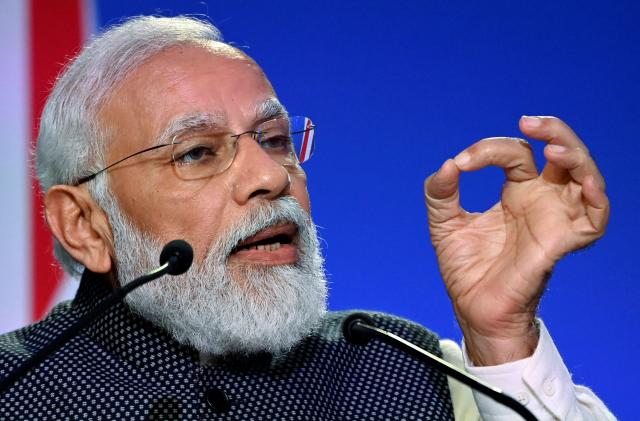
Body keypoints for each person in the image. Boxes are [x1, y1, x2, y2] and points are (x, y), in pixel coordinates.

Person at [0, 16, 615, 420]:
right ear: (83, 225)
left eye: (272, 138)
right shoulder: (16, 391)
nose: (271, 176)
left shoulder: (403, 369)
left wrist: (501, 337)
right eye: (197, 153)